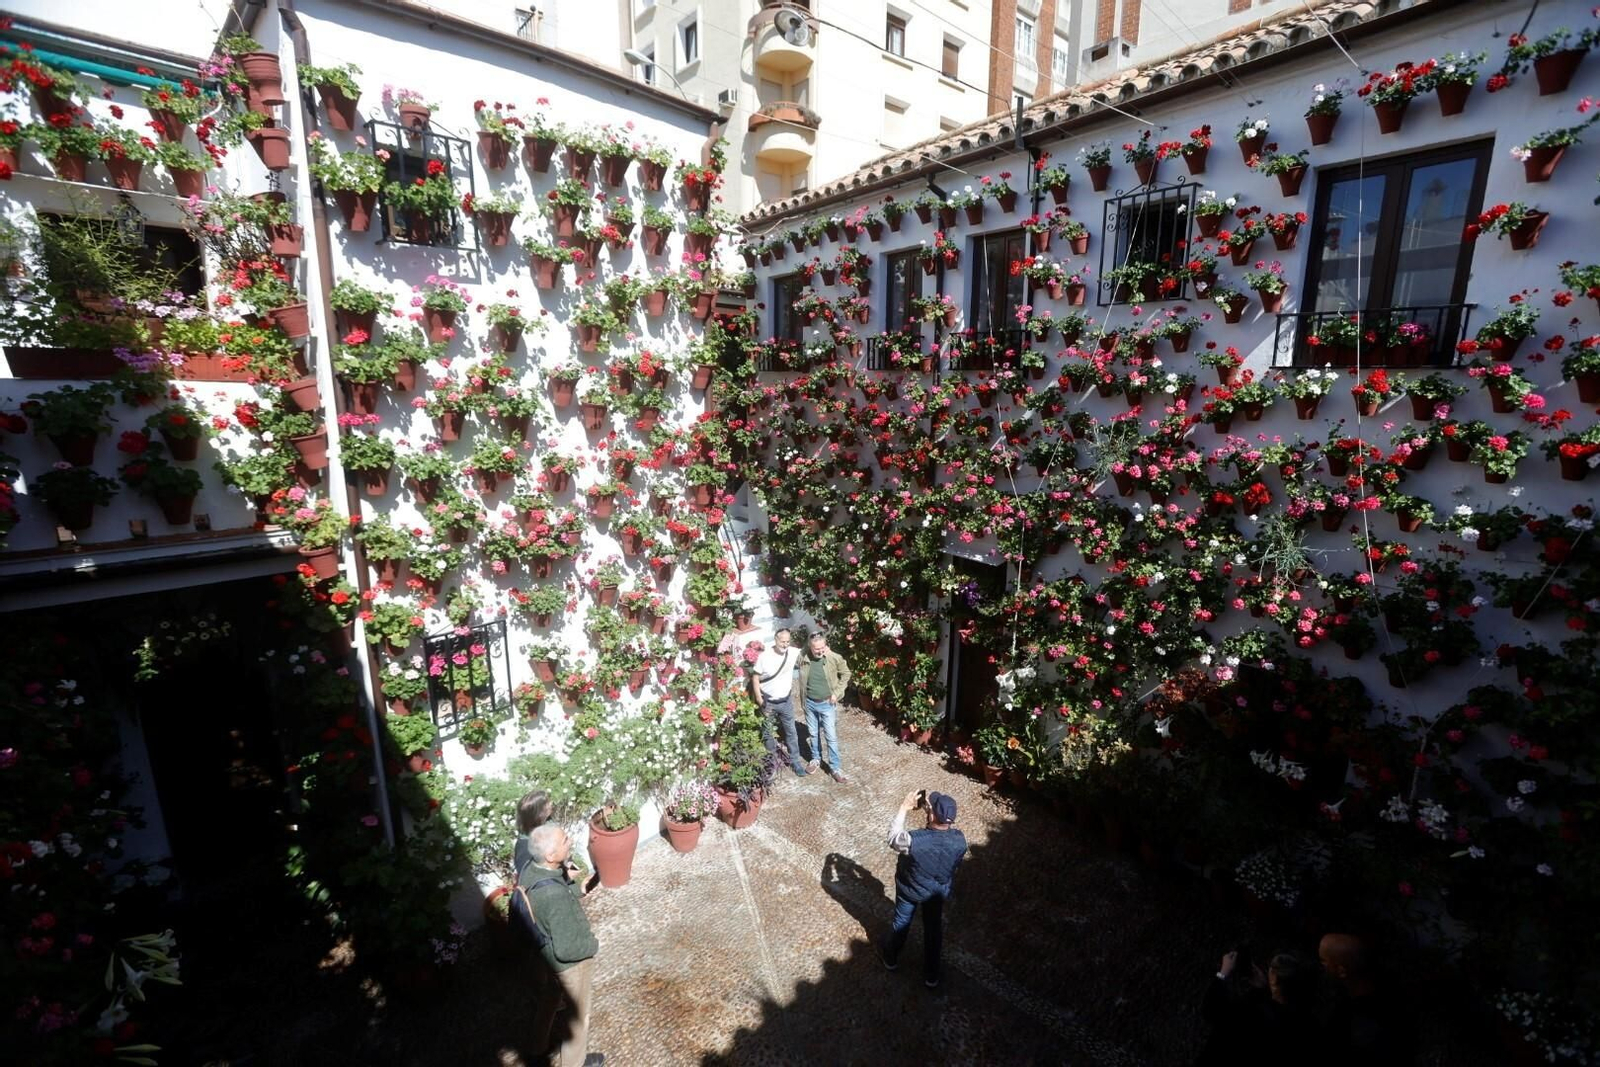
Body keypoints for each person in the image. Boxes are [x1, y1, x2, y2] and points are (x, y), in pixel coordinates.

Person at [524, 824, 604, 1067]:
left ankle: (537, 1048)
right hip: (569, 967)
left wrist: (575, 887)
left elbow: (553, 892)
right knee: (578, 1019)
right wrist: (593, 945)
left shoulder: (531, 869)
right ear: (550, 856)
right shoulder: (554, 898)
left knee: (550, 998)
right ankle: (575, 1063)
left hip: (545, 956)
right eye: (565, 840)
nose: (570, 841)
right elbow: (567, 950)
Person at [878, 788, 967, 988]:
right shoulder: (960, 841)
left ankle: (891, 958)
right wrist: (931, 809)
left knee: (901, 922)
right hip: (936, 893)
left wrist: (904, 808)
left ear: (933, 815)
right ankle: (932, 975)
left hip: (909, 889)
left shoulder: (913, 841)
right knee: (933, 930)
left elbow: (893, 838)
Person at [1319, 932, 1415, 1065]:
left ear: (1341, 971)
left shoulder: (1354, 1022)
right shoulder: (1385, 991)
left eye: (1323, 961)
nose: (1321, 967)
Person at [1195, 947, 1268, 1066]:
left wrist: (1223, 972)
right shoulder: (1268, 1017)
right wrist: (1263, 991)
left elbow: (1209, 1010)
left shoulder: (1236, 1014)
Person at [797, 631, 851, 782]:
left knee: (831, 737)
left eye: (823, 647)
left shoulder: (833, 657)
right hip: (810, 703)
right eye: (816, 649)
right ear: (809, 647)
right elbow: (797, 653)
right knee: (813, 733)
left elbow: (846, 674)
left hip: (827, 703)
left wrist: (837, 693)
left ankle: (835, 767)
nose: (820, 651)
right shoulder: (803, 657)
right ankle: (815, 759)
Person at [751, 629, 807, 776]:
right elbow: (755, 677)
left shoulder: (793, 652)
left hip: (786, 700)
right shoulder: (765, 657)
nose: (785, 644)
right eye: (782, 641)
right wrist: (759, 698)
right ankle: (771, 763)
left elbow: (810, 650)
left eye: (788, 641)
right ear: (775, 640)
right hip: (768, 701)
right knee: (768, 733)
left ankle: (795, 761)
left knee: (791, 732)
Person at [511, 789, 555, 876]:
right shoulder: (525, 846)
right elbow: (528, 878)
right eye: (547, 803)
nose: (551, 804)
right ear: (539, 812)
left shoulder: (550, 827)